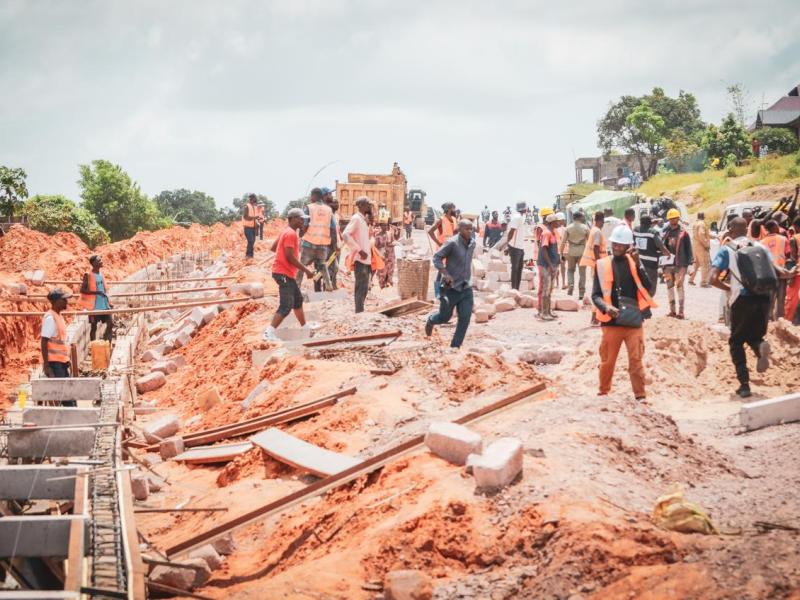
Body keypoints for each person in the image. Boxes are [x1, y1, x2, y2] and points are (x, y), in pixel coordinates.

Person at [709, 217, 794, 397]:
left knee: (736, 341)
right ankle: (760, 345)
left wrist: (729, 288)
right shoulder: (760, 246)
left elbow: (712, 279)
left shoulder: (728, 249)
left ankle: (744, 385)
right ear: (746, 229)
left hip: (742, 300)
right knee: (754, 335)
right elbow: (780, 272)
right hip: (764, 298)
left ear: (730, 230)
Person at [591, 226, 656, 400]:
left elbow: (648, 287)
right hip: (611, 322)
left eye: (622, 245)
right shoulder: (602, 265)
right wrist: (606, 307)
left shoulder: (634, 263)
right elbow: (595, 295)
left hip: (633, 322)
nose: (618, 247)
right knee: (607, 362)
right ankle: (603, 392)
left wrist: (639, 262)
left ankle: (640, 396)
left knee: (636, 362)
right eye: (615, 244)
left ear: (629, 245)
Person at [263, 209, 315, 341]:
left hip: (285, 272)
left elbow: (274, 248)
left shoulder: (286, 232)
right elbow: (289, 256)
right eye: (300, 219)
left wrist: (282, 252)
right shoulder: (291, 234)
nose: (303, 221)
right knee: (286, 305)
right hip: (283, 273)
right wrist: (306, 270)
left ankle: (305, 327)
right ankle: (268, 333)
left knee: (297, 301)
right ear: (292, 219)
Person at [425, 219, 476, 348]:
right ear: (459, 229)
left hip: (465, 287)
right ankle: (431, 321)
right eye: (466, 229)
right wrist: (445, 274)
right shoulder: (452, 243)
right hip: (450, 288)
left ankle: (455, 347)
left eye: (471, 229)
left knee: (465, 318)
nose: (469, 231)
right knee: (444, 317)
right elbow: (437, 257)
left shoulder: (472, 244)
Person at [41, 289, 76, 405]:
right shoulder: (51, 318)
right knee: (66, 398)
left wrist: (67, 359)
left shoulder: (58, 316)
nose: (67, 302)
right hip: (54, 364)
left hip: (61, 362)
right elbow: (44, 341)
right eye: (64, 299)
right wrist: (46, 366)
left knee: (68, 396)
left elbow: (60, 341)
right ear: (56, 301)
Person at [298, 188, 335, 291]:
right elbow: (332, 228)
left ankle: (297, 286)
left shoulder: (309, 208)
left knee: (301, 266)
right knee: (322, 264)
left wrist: (301, 234)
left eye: (311, 196)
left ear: (314, 196)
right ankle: (329, 286)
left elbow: (305, 224)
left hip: (309, 242)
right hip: (323, 243)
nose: (310, 198)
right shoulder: (328, 210)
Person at [662, 208, 693, 319]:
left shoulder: (683, 233)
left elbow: (689, 249)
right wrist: (662, 265)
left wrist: (690, 265)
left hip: (681, 265)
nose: (672, 221)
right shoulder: (666, 233)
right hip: (668, 266)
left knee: (679, 286)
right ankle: (672, 311)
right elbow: (662, 248)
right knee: (669, 287)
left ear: (678, 219)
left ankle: (681, 311)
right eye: (670, 219)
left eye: (674, 218)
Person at [343, 196, 373, 313]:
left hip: (366, 259)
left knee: (364, 288)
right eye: (367, 204)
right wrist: (359, 250)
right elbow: (345, 235)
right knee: (361, 288)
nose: (369, 206)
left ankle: (360, 311)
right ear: (361, 205)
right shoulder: (356, 218)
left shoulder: (363, 220)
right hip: (360, 259)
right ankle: (359, 312)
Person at [633, 214, 670, 296]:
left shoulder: (635, 230)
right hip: (651, 265)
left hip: (638, 262)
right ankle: (647, 302)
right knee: (651, 286)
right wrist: (668, 254)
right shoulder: (652, 232)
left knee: (639, 283)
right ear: (650, 223)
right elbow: (661, 246)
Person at [580, 211, 607, 322]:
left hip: (595, 265)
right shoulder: (597, 232)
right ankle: (595, 318)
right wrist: (599, 264)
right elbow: (596, 248)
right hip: (598, 265)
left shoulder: (594, 230)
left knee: (598, 291)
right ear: (602, 220)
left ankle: (595, 317)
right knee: (599, 292)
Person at [79, 255, 113, 342]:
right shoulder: (88, 275)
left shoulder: (101, 274)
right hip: (94, 307)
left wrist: (109, 302)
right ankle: (93, 346)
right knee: (93, 327)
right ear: (93, 263)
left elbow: (104, 289)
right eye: (99, 260)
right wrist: (97, 293)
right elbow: (82, 290)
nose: (101, 261)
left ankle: (106, 343)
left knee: (110, 324)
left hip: (104, 305)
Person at [761, 220, 790, 320]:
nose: (779, 228)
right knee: (781, 297)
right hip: (781, 273)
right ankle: (780, 320)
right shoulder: (783, 239)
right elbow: (788, 254)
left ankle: (768, 320)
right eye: (777, 226)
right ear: (773, 227)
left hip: (768, 273)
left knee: (770, 298)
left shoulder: (761, 242)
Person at [428, 203, 458, 297]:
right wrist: (439, 243)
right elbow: (430, 231)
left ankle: (444, 291)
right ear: (449, 209)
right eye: (453, 208)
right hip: (443, 248)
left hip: (452, 248)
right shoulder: (441, 220)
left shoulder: (454, 219)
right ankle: (438, 292)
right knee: (442, 269)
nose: (455, 210)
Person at [560, 211, 590, 297]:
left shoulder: (568, 228)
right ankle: (581, 292)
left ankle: (571, 285)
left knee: (570, 270)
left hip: (571, 252)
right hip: (582, 252)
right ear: (580, 217)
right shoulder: (585, 228)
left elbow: (563, 242)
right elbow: (590, 241)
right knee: (582, 273)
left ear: (573, 218)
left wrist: (561, 253)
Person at [537, 213, 560, 320]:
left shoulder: (553, 232)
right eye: (556, 221)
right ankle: (544, 313)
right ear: (552, 222)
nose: (558, 222)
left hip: (552, 265)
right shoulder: (546, 233)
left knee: (550, 289)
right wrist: (550, 264)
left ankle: (548, 311)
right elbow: (544, 249)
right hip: (546, 265)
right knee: (546, 289)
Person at [505, 202, 528, 290]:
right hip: (515, 247)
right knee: (515, 268)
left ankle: (516, 289)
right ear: (524, 209)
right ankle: (514, 289)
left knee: (519, 268)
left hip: (520, 247)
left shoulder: (521, 217)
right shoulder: (517, 217)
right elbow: (511, 231)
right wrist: (507, 245)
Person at [374, 218, 400, 288]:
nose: (385, 227)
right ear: (380, 226)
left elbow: (393, 241)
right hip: (382, 255)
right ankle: (382, 284)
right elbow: (375, 246)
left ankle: (388, 282)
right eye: (383, 225)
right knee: (382, 270)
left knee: (390, 269)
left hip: (390, 255)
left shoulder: (390, 234)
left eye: (386, 225)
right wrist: (380, 252)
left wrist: (395, 244)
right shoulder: (377, 236)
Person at [688, 212, 712, 287]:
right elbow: (701, 234)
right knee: (704, 264)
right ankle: (704, 282)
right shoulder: (702, 224)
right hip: (702, 247)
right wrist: (706, 244)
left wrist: (715, 237)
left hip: (695, 247)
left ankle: (691, 280)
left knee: (696, 264)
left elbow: (704, 234)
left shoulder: (695, 224)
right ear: (703, 216)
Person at [325, 193, 341, 290]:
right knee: (330, 266)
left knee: (336, 267)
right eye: (335, 203)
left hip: (337, 244)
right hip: (330, 245)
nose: (337, 205)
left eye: (337, 203)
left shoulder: (337, 216)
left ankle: (334, 284)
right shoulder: (328, 215)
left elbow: (337, 230)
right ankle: (327, 285)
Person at [242, 193, 262, 258]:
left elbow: (255, 217)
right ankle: (248, 255)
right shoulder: (247, 206)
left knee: (253, 241)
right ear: (252, 199)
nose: (255, 200)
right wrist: (254, 217)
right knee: (250, 241)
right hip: (247, 228)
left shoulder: (255, 207)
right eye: (254, 198)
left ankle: (250, 255)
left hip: (253, 228)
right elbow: (245, 217)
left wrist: (258, 219)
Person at [553, 212, 567, 289]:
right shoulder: (565, 229)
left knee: (557, 267)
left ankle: (557, 284)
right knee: (563, 267)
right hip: (563, 251)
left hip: (556, 251)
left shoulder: (553, 230)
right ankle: (563, 283)